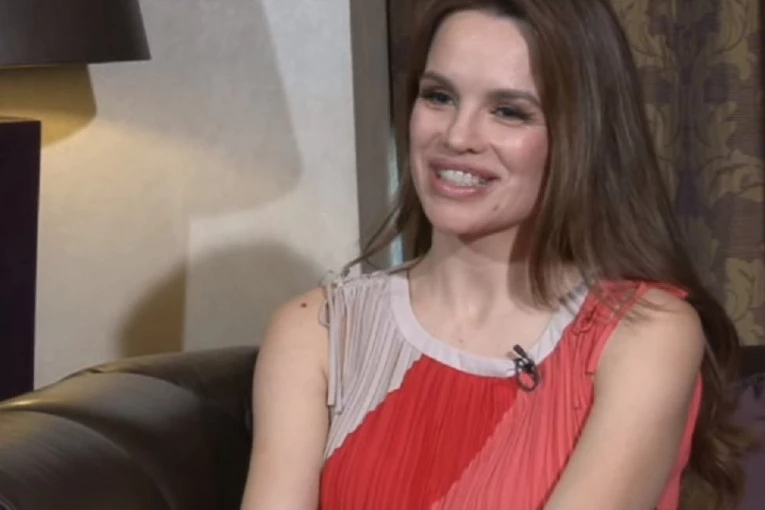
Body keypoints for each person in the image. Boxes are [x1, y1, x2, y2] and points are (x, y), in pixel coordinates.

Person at [240, 0, 751, 509]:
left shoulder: (645, 333)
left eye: (508, 111)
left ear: (581, 135)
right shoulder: (316, 332)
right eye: (439, 96)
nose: (456, 136)